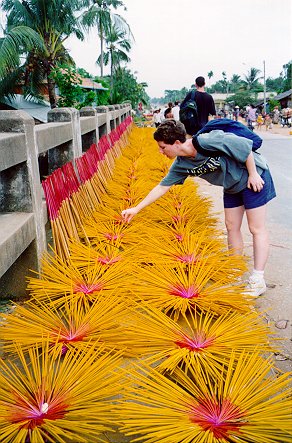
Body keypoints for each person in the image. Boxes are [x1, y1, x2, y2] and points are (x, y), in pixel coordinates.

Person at [121, 119, 276, 298]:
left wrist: (254, 174)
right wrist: (136, 209)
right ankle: (235, 270)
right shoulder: (181, 164)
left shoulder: (205, 141)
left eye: (163, 147)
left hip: (253, 177)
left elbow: (244, 147)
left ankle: (258, 279)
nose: (160, 151)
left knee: (256, 228)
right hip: (232, 185)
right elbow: (162, 187)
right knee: (231, 226)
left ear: (177, 143)